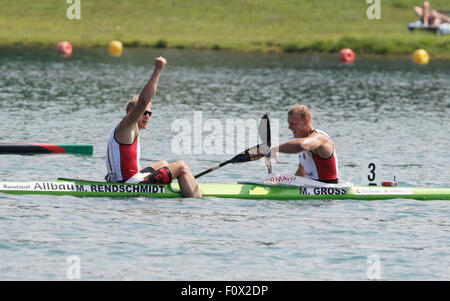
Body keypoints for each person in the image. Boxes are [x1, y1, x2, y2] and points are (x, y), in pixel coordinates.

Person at [105, 56, 202, 198]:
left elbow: (144, 103)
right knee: (181, 166)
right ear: (132, 113)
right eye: (144, 112)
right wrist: (157, 70)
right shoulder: (127, 125)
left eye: (150, 113)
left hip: (122, 182)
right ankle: (197, 201)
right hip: (130, 186)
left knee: (163, 163)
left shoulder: (125, 129)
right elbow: (144, 100)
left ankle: (184, 184)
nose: (147, 116)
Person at [270, 105, 339, 183]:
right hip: (311, 188)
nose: (289, 127)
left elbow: (301, 145)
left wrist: (273, 150)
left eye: (293, 124)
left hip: (327, 190)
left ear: (306, 121)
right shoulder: (304, 141)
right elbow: (300, 174)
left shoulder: (319, 138)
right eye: (289, 124)